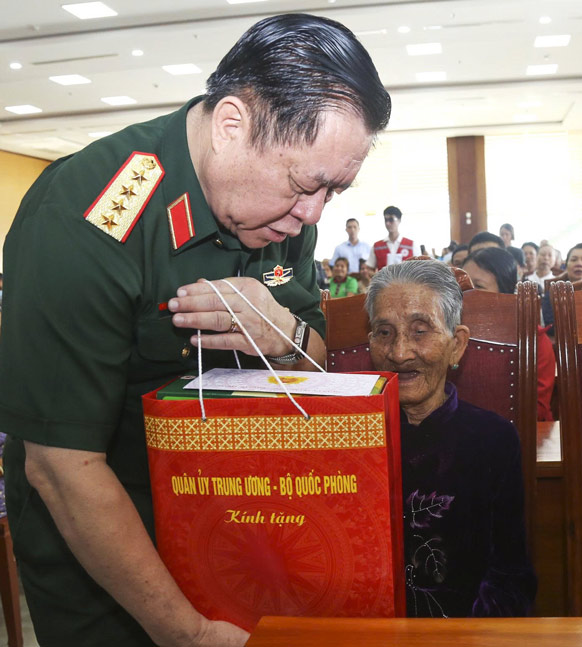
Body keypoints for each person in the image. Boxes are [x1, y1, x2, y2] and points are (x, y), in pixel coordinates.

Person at [0, 13, 390, 647]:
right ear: (232, 124)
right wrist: (187, 632)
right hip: (107, 552)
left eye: (334, 192)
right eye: (304, 184)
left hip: (240, 523)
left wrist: (282, 334)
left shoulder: (288, 216)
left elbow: (316, 363)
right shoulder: (88, 216)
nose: (313, 213)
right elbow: (61, 466)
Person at [365, 260, 537, 617]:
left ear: (456, 345)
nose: (399, 352)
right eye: (384, 332)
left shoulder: (492, 439)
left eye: (420, 331)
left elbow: (511, 575)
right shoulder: (350, 436)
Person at [461, 247, 555, 421]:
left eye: (478, 287)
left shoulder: (533, 340)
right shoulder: (448, 333)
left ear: (504, 294)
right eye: (461, 286)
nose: (464, 295)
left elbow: (537, 410)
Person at [367, 205, 416, 270]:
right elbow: (369, 269)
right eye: (386, 220)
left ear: (399, 220)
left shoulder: (411, 245)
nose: (388, 223)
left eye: (391, 220)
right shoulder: (377, 246)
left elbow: (418, 268)